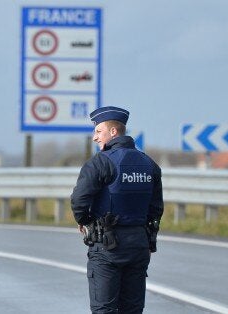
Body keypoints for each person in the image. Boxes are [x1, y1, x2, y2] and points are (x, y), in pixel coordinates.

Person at [70, 106, 164, 313]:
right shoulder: (149, 164)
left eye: (98, 131)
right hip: (139, 245)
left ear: (113, 132)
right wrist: (149, 242)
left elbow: (79, 200)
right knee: (132, 309)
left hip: (106, 246)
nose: (94, 137)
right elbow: (156, 209)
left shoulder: (100, 162)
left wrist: (86, 222)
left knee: (105, 309)